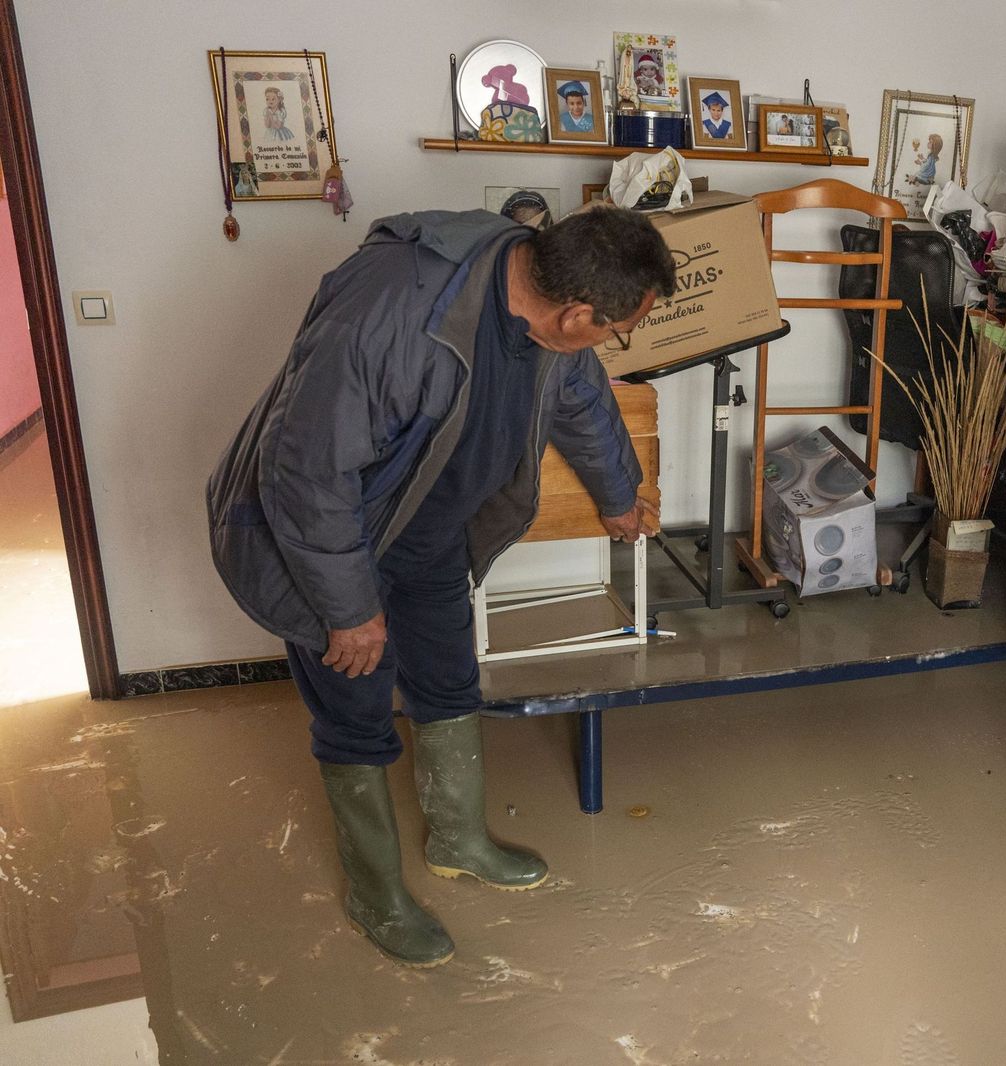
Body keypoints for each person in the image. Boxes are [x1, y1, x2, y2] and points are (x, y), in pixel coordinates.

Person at [207, 206, 675, 968]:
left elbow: (580, 396)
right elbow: (305, 471)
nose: (607, 344)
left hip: (429, 537)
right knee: (357, 708)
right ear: (577, 312)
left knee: (448, 682)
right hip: (329, 547)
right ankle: (375, 894)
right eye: (614, 331)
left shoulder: (546, 301)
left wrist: (620, 495)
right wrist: (349, 610)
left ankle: (459, 839)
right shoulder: (392, 316)